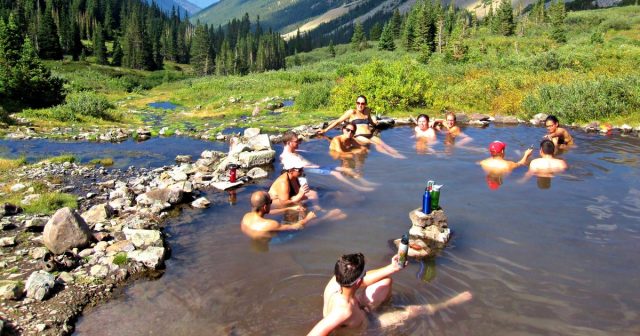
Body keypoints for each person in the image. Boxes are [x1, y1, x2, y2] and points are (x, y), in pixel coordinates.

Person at [307, 253, 473, 335]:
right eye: (364, 273)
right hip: (364, 328)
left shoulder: (338, 279)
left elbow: (363, 281)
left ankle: (383, 307)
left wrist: (392, 268)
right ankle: (448, 303)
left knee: (385, 282)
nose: (366, 274)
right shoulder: (343, 311)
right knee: (412, 311)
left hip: (358, 309)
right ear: (357, 281)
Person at [281, 131, 376, 192]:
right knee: (336, 173)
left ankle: (365, 182)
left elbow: (299, 155)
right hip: (311, 169)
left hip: (316, 166)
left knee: (344, 168)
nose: (299, 143)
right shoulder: (286, 156)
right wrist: (313, 167)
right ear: (289, 143)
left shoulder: (293, 151)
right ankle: (356, 187)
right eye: (297, 141)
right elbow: (296, 169)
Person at [317, 95, 405, 159]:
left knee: (385, 144)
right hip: (359, 136)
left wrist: (375, 125)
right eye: (358, 103)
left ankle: (400, 155)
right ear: (356, 103)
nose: (360, 105)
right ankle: (393, 157)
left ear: (365, 104)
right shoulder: (352, 112)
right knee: (376, 145)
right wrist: (325, 130)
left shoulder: (367, 111)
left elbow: (370, 121)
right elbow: (338, 121)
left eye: (362, 103)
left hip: (370, 135)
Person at [241, 191, 316, 240]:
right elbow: (295, 227)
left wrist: (289, 208)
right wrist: (308, 218)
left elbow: (269, 212)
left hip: (254, 237)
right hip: (272, 241)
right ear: (264, 207)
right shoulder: (271, 224)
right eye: (270, 201)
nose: (271, 203)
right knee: (304, 225)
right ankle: (326, 217)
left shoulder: (246, 216)